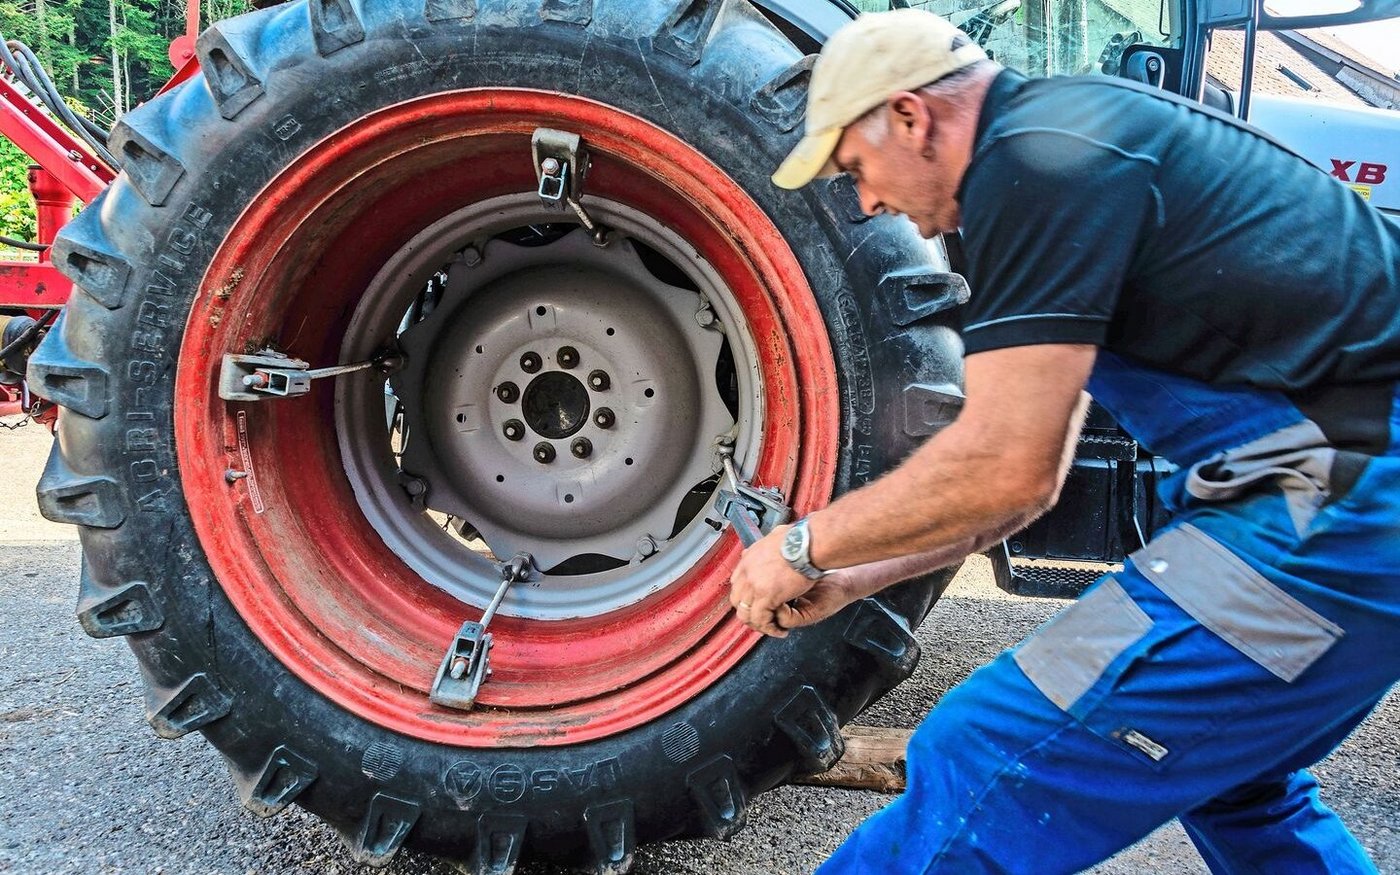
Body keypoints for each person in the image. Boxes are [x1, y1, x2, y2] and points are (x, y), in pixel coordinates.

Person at [728, 8, 1400, 873]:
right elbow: (1031, 478)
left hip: (1333, 508)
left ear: (909, 116)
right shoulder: (1068, 139)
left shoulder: (1035, 163)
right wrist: (855, 574)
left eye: (855, 167)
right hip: (1330, 501)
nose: (866, 200)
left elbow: (1002, 467)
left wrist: (807, 544)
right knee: (1237, 784)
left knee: (988, 752)